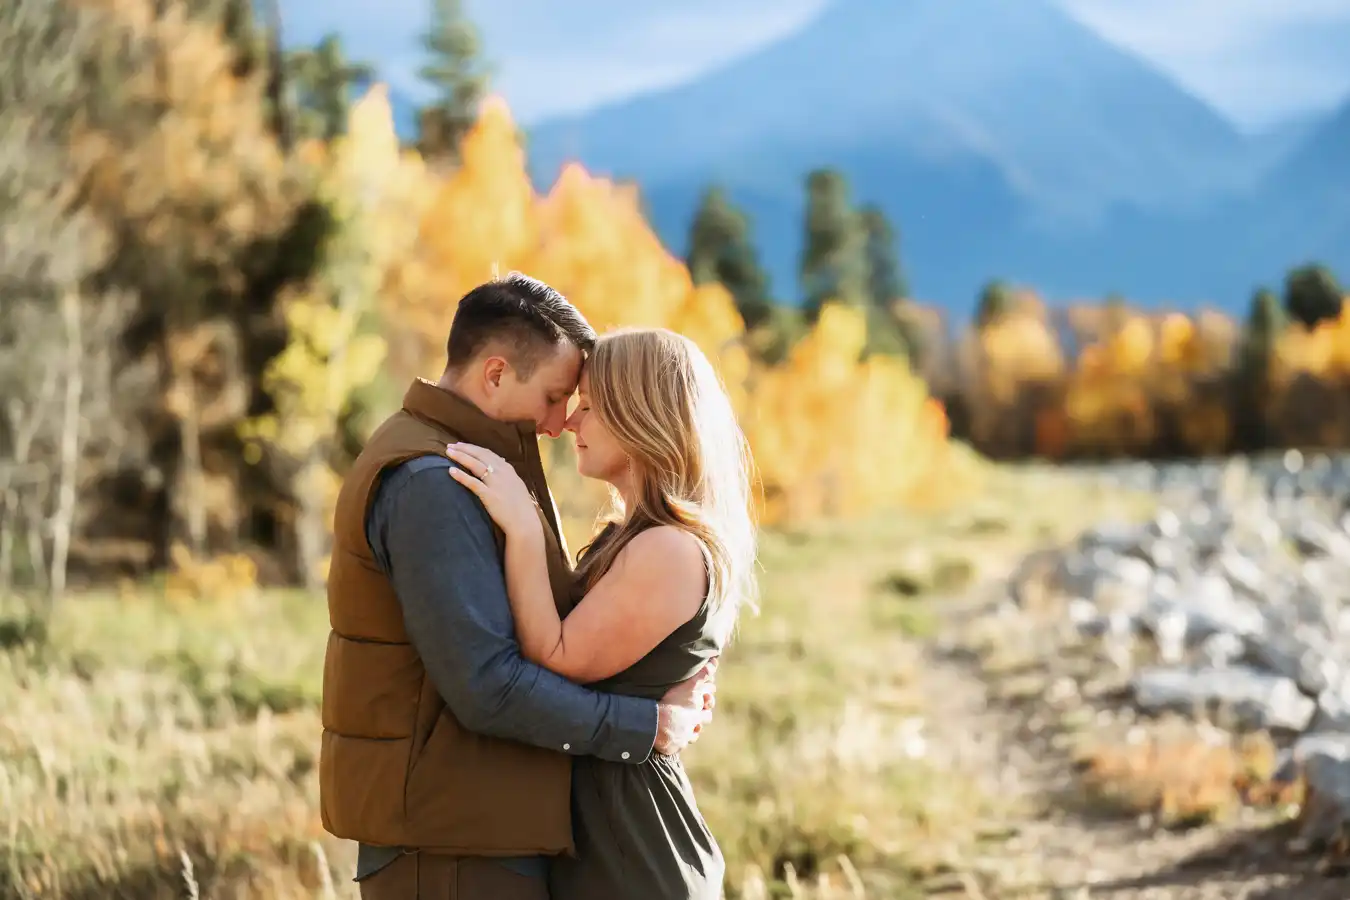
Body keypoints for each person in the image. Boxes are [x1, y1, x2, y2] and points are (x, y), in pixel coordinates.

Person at [319, 273, 717, 900]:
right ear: (497, 374)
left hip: (476, 828)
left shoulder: (480, 468)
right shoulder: (434, 483)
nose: (561, 422)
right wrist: (647, 725)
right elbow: (488, 685)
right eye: (556, 396)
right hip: (450, 843)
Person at [445, 326, 758, 900]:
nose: (570, 422)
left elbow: (557, 655)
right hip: (611, 837)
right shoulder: (636, 537)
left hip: (633, 850)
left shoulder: (667, 548)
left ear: (641, 417)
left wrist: (522, 527)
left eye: (588, 406)